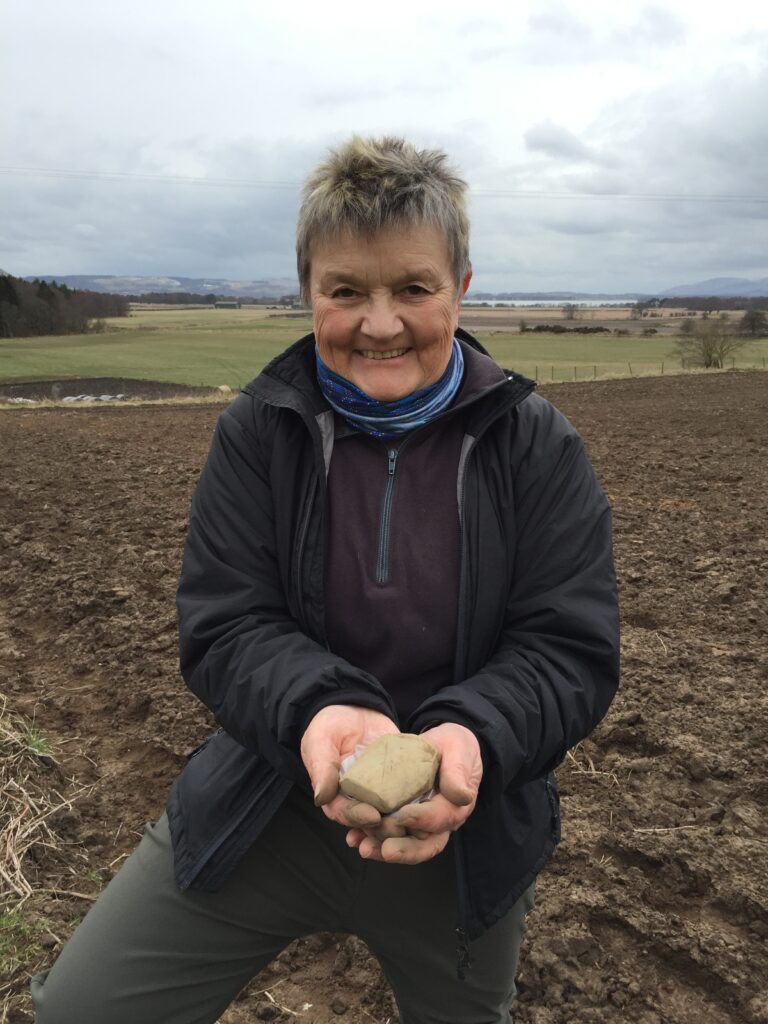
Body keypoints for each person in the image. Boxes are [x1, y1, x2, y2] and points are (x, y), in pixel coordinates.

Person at [31, 136, 620, 1024]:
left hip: (460, 826)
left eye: (413, 289)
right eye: (346, 291)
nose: (379, 323)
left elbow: (569, 648)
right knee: (84, 1010)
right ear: (308, 291)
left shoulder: (534, 444)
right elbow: (226, 625)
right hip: (268, 799)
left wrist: (471, 735)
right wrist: (320, 712)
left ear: (461, 286)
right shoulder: (258, 432)